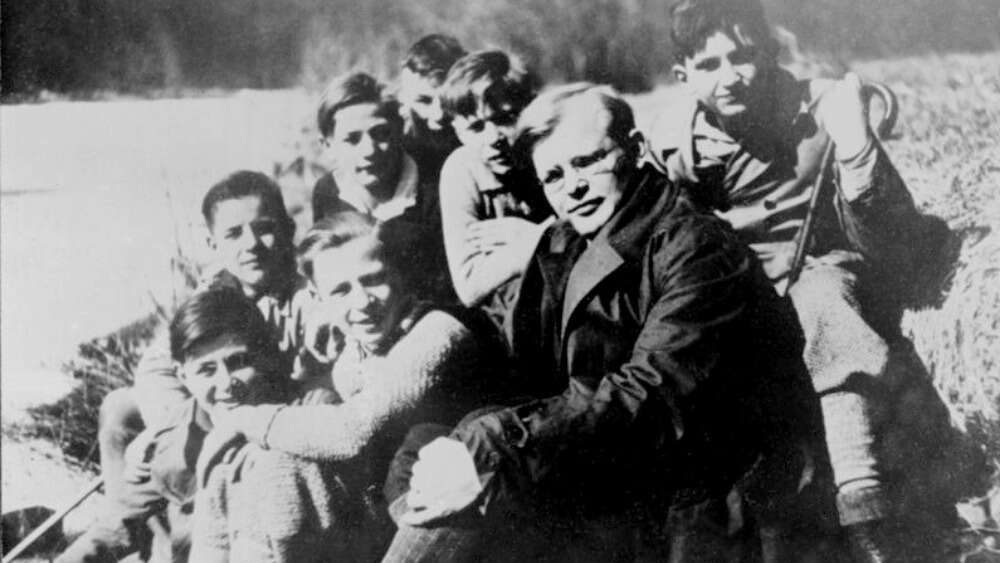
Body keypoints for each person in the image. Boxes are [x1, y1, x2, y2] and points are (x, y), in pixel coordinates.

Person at [380, 84, 818, 561]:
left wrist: (493, 450)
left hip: (702, 504)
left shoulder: (696, 246)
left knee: (478, 477)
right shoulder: (567, 241)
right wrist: (437, 452)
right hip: (618, 477)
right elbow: (523, 369)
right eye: (553, 175)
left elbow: (651, 392)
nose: (574, 187)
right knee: (449, 462)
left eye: (588, 161)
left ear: (634, 147)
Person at [647, 0, 965, 559]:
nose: (730, 76)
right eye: (710, 64)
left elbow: (890, 231)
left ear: (771, 55)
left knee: (825, 304)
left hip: (814, 263)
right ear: (683, 77)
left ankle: (862, 495)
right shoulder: (676, 142)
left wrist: (857, 140)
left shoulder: (814, 111)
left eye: (744, 57)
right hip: (733, 280)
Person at [211, 211, 506, 552]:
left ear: (400, 275)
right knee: (267, 465)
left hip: (476, 509)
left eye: (374, 280)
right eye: (341, 290)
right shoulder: (354, 354)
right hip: (406, 505)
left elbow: (349, 433)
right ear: (318, 298)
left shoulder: (439, 330)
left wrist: (242, 418)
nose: (362, 303)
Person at [66, 171, 313, 562]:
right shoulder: (212, 288)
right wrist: (168, 430)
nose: (251, 245)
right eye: (234, 234)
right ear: (213, 242)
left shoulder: (309, 296)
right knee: (122, 410)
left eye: (264, 229)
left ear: (288, 230)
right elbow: (160, 365)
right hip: (210, 411)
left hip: (274, 421)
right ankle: (143, 532)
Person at [58, 288, 333, 563]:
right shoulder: (172, 437)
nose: (226, 384)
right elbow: (117, 525)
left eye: (238, 362)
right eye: (207, 370)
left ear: (264, 356)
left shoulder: (308, 412)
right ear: (182, 375)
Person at [312, 72, 453, 304]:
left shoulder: (436, 188)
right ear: (328, 146)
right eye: (352, 139)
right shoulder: (327, 192)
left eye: (381, 134)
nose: (369, 150)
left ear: (399, 129)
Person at [437, 50, 552, 308]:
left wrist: (534, 237)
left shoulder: (552, 150)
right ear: (457, 130)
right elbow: (470, 286)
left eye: (505, 119)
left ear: (530, 107)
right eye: (475, 127)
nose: (492, 138)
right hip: (504, 314)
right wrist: (541, 243)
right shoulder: (462, 170)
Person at [397, 34, 466, 188]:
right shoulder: (388, 133)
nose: (439, 115)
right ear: (403, 98)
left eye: (448, 102)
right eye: (424, 101)